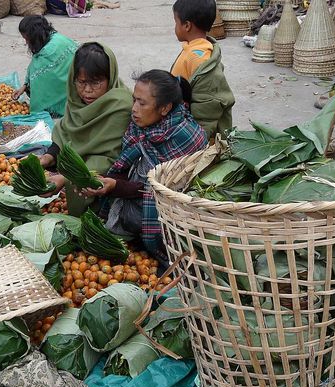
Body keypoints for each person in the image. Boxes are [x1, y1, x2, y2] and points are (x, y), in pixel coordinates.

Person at [80, 70, 208, 262]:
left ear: (164, 108)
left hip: (170, 219)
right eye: (134, 100)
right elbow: (125, 168)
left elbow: (164, 193)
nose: (134, 109)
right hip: (137, 206)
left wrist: (116, 187)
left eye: (142, 103)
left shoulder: (187, 137)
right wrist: (107, 183)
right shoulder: (140, 127)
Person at [38, 42, 133, 216]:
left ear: (109, 78)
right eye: (81, 82)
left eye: (96, 83)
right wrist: (48, 156)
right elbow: (65, 132)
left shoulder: (121, 106)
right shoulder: (76, 101)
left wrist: (67, 178)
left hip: (108, 185)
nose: (87, 91)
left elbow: (110, 159)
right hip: (75, 175)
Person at [170, 0, 234, 138]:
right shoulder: (193, 48)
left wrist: (198, 140)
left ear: (187, 25)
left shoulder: (199, 58)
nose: (174, 27)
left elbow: (207, 108)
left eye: (176, 22)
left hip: (194, 132)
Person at [12, 15, 78, 117]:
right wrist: (24, 86)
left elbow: (38, 80)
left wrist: (32, 93)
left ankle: (55, 108)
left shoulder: (47, 54)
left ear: (34, 36)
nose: (26, 42)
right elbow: (33, 68)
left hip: (71, 92)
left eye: (27, 39)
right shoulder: (56, 37)